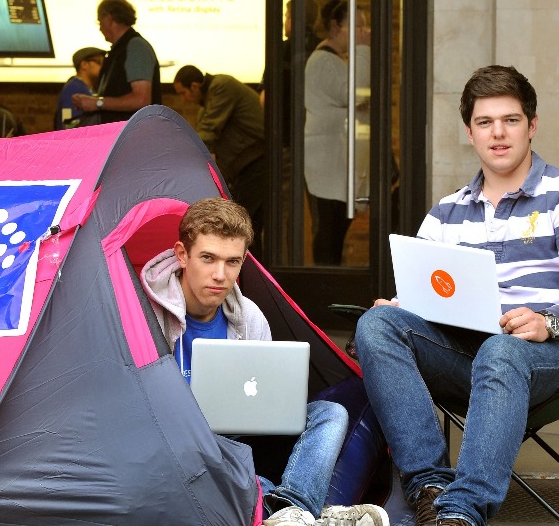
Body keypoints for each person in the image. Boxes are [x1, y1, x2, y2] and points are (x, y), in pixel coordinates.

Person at [353, 65, 559, 526]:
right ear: (469, 132)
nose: (498, 133)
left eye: (511, 120)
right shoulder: (445, 213)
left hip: (550, 353)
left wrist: (547, 322)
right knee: (377, 324)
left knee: (502, 349)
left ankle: (463, 511)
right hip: (466, 352)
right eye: (484, 122)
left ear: (532, 125)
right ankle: (430, 488)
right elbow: (422, 296)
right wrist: (400, 307)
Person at [140, 197, 389, 526]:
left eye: (232, 262)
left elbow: (264, 404)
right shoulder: (146, 314)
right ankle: (300, 512)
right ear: (182, 255)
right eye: (208, 258)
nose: (220, 275)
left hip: (244, 443)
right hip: (184, 447)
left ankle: (292, 509)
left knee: (331, 413)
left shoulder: (249, 316)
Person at [303, 0, 371, 266]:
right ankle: (325, 279)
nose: (363, 33)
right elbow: (357, 92)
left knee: (335, 228)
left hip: (333, 160)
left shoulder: (334, 61)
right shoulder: (323, 60)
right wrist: (363, 51)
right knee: (329, 230)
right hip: (326, 163)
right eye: (357, 27)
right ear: (335, 27)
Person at [173, 66, 267, 246]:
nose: (183, 99)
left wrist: (182, 154)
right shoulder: (207, 104)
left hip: (257, 161)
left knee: (240, 223)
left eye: (183, 93)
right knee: (248, 223)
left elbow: (209, 130)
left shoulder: (221, 86)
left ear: (194, 86)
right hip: (246, 165)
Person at [71, 0, 161, 124]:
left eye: (99, 22)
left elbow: (141, 99)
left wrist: (97, 103)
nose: (100, 28)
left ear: (109, 19)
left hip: (135, 134)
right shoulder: (119, 50)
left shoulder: (136, 47)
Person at [55, 47, 104, 129]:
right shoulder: (74, 88)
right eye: (99, 62)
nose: (103, 66)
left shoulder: (89, 88)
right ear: (84, 65)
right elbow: (68, 124)